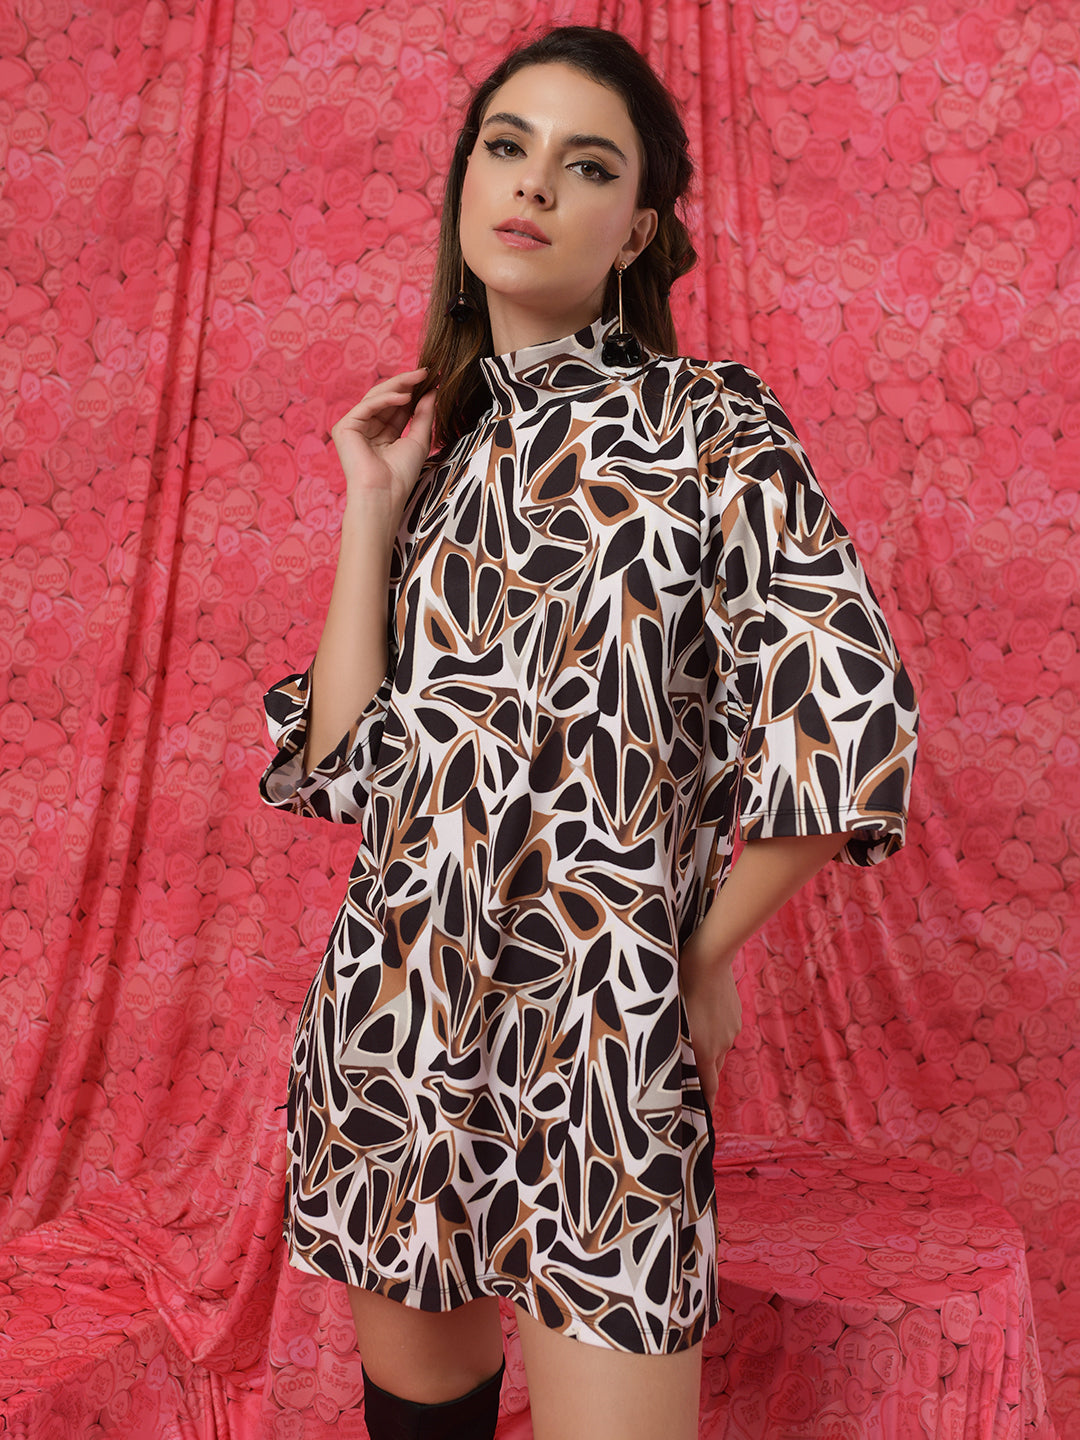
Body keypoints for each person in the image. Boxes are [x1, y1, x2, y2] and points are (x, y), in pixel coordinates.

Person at [259, 24, 918, 1440]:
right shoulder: (438, 457)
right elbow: (344, 764)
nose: (535, 184)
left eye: (590, 165)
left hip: (605, 1038)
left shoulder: (707, 422)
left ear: (641, 233)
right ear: (464, 184)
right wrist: (372, 502)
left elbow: (847, 711)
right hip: (397, 1014)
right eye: (506, 146)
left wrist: (697, 958)